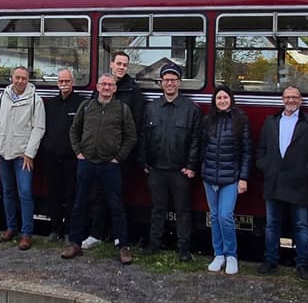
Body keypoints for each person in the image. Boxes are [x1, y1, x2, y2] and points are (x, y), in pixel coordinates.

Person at [60, 74, 136, 265]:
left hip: (110, 165)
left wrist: (118, 157)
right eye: (103, 84)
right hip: (86, 163)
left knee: (116, 205)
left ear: (115, 88)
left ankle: (123, 246)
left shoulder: (122, 109)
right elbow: (74, 131)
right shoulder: (86, 106)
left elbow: (130, 136)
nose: (107, 87)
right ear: (97, 86)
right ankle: (75, 243)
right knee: (80, 203)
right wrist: (78, 152)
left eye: (110, 85)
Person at [256, 85, 308, 280]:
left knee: (301, 226)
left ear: (301, 100)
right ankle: (270, 261)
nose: (290, 101)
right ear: (282, 100)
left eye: (294, 97)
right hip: (274, 181)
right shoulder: (271, 122)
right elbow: (261, 149)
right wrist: (265, 166)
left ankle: (302, 264)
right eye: (287, 97)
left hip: (299, 183)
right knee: (271, 225)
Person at [83, 51, 149, 250]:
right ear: (111, 65)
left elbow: (135, 126)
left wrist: (120, 155)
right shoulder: (101, 87)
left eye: (125, 65)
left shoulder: (134, 92)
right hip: (98, 153)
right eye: (118, 63)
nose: (121, 67)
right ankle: (96, 234)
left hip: (120, 156)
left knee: (118, 195)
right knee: (98, 194)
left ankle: (120, 238)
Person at [141, 63, 202, 261]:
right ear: (161, 83)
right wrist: (144, 162)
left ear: (179, 83)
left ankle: (183, 249)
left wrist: (192, 166)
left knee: (183, 211)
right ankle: (154, 245)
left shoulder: (190, 109)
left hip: (180, 171)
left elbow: (196, 140)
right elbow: (144, 137)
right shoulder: (151, 108)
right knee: (157, 210)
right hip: (156, 169)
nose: (169, 83)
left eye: (173, 80)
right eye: (166, 80)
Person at [192, 86, 251, 275]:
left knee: (226, 216)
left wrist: (243, 178)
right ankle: (218, 255)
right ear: (214, 101)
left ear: (231, 99)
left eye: (225, 97)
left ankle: (231, 255)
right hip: (209, 177)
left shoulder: (241, 120)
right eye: (219, 98)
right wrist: (199, 168)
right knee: (215, 217)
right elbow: (201, 146)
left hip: (230, 178)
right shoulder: (208, 120)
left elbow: (247, 151)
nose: (222, 101)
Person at [0, 66, 47, 250]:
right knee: (7, 192)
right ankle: (10, 227)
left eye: (24, 78)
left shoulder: (35, 100)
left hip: (23, 155)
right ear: (11, 78)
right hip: (3, 153)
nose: (20, 81)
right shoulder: (1, 98)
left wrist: (30, 153)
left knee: (25, 193)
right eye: (17, 77)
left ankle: (26, 233)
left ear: (28, 80)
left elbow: (39, 128)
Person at [41, 68, 85, 241]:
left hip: (72, 158)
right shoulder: (51, 104)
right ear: (57, 83)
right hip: (52, 157)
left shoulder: (81, 103)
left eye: (67, 81)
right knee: (54, 194)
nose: (64, 84)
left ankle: (69, 231)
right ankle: (55, 230)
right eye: (61, 81)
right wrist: (47, 146)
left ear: (72, 83)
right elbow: (44, 128)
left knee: (72, 195)